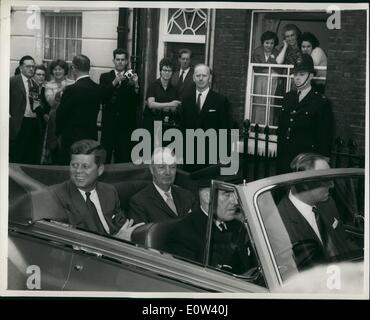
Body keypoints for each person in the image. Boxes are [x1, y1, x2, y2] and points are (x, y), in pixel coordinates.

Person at [277, 153, 358, 271]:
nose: (332, 185)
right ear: (304, 183)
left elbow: (344, 240)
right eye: (326, 180)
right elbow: (296, 275)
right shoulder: (279, 221)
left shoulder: (327, 202)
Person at [51, 139, 143, 240]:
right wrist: (117, 240)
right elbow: (73, 242)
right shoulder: (56, 196)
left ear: (100, 170)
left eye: (85, 166)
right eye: (74, 165)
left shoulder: (109, 191)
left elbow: (121, 226)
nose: (78, 171)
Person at [167, 180, 255, 274]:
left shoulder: (238, 225)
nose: (236, 201)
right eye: (227, 194)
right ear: (207, 197)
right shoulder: (185, 232)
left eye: (236, 193)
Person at [276, 54, 333, 174]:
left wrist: (323, 158)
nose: (297, 78)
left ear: (311, 76)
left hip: (307, 160)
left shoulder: (320, 102)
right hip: (285, 158)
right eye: (295, 74)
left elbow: (325, 133)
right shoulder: (288, 97)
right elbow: (282, 129)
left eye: (302, 74)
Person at [180, 63, 232, 171]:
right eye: (198, 76)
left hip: (211, 156)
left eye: (204, 75)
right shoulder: (186, 100)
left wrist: (223, 156)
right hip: (189, 155)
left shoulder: (220, 101)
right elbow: (182, 128)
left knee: (207, 187)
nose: (201, 78)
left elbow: (225, 130)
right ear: (193, 78)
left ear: (210, 78)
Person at [127, 147, 196, 224]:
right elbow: (141, 234)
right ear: (152, 169)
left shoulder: (187, 196)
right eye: (162, 167)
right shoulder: (139, 202)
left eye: (172, 167)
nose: (168, 172)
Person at [56, 55, 101, 165]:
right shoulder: (97, 88)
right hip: (91, 136)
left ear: (73, 68)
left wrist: (58, 133)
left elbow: (61, 115)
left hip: (72, 139)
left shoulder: (71, 89)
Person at [99, 48, 140, 163]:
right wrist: (115, 82)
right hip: (109, 124)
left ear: (126, 62)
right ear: (113, 61)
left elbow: (136, 103)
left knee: (123, 157)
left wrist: (136, 85)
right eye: (118, 59)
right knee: (105, 156)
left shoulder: (131, 77)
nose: (120, 62)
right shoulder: (105, 77)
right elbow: (102, 96)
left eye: (123, 60)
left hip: (125, 126)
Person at [9, 55, 43, 164]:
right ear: (21, 68)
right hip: (19, 122)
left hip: (33, 123)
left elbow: (37, 104)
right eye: (28, 66)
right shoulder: (13, 81)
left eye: (33, 67)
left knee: (30, 155)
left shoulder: (35, 84)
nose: (31, 69)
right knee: (17, 155)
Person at [142, 58, 182, 146]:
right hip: (151, 124)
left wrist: (171, 107)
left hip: (165, 126)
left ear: (172, 73)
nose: (167, 73)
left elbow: (175, 107)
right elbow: (151, 104)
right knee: (149, 152)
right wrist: (169, 104)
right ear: (160, 71)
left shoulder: (174, 89)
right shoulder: (153, 86)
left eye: (169, 70)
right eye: (164, 70)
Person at [42, 59, 74, 164]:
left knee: (68, 147)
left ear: (65, 70)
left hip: (69, 120)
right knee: (54, 147)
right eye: (55, 69)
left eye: (60, 69)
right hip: (54, 121)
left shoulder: (72, 83)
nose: (57, 71)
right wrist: (62, 91)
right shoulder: (48, 85)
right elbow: (51, 102)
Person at [252, 31, 280, 124]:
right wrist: (270, 67)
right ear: (263, 42)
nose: (269, 45)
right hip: (259, 80)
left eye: (272, 43)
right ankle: (256, 125)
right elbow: (256, 68)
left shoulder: (277, 52)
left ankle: (268, 126)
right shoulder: (257, 51)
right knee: (258, 101)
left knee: (269, 102)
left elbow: (278, 68)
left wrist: (267, 67)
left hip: (272, 81)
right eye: (267, 43)